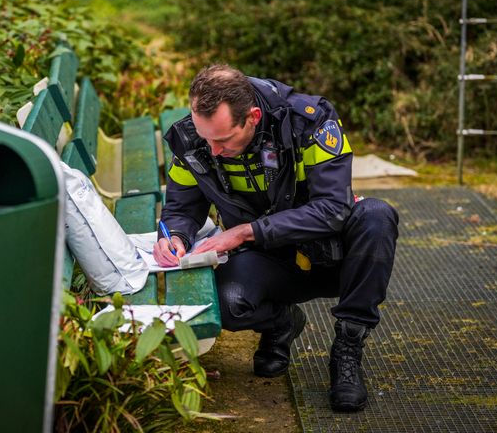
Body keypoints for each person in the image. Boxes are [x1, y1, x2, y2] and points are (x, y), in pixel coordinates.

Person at [153, 64, 399, 412]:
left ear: (253, 116)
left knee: (376, 215)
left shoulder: (311, 120)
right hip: (266, 259)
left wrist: (246, 231)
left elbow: (333, 208)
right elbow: (181, 207)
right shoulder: (192, 137)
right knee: (227, 303)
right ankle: (282, 323)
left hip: (331, 256)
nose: (213, 149)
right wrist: (175, 235)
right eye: (205, 137)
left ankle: (348, 349)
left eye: (222, 140)